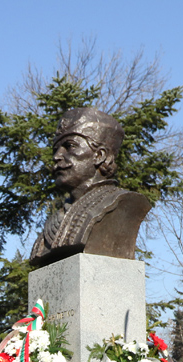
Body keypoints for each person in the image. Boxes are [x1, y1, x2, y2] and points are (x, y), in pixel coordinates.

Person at [29, 107, 150, 267]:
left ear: (99, 156)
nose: (57, 156)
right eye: (55, 149)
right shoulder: (54, 221)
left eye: (70, 146)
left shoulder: (122, 203)